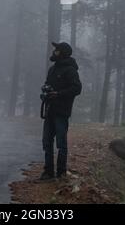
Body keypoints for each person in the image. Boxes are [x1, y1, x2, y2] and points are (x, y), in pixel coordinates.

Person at [40, 41, 82, 180]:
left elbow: (77, 88)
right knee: (47, 142)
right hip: (49, 110)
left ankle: (61, 173)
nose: (54, 52)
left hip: (61, 112)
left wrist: (58, 94)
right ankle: (48, 172)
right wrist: (45, 91)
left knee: (61, 144)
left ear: (62, 53)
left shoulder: (70, 70)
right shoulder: (52, 69)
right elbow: (47, 84)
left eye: (56, 50)